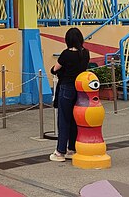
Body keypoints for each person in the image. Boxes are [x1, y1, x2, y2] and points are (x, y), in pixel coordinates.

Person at [49, 27, 89, 162]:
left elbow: (54, 69)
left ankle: (60, 151)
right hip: (80, 88)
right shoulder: (86, 53)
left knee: (64, 120)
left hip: (66, 88)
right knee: (74, 120)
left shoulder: (66, 54)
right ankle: (72, 148)